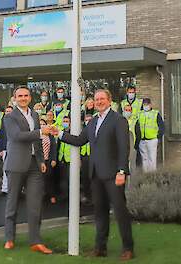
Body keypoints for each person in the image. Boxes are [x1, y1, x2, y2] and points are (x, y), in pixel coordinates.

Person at [52, 89, 134, 261]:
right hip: (96, 175)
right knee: (100, 212)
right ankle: (100, 248)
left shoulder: (118, 120)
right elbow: (79, 140)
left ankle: (128, 248)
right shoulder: (93, 121)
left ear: (109, 100)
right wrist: (59, 133)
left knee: (120, 211)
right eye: (96, 99)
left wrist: (122, 171)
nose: (99, 102)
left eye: (102, 99)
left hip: (113, 175)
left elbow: (123, 147)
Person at [3, 86, 53, 254]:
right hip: (16, 164)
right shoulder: (10, 117)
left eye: (26, 95)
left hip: (34, 165)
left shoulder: (35, 115)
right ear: (15, 98)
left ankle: (35, 241)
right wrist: (40, 132)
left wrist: (41, 160)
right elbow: (17, 136)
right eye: (20, 96)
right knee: (12, 203)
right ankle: (9, 238)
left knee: (35, 204)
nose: (23, 98)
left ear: (30, 98)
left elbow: (37, 142)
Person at [135, 98, 165, 173]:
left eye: (147, 104)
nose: (146, 106)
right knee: (144, 159)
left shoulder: (155, 113)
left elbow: (162, 126)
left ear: (150, 104)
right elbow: (137, 126)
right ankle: (145, 176)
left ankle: (152, 176)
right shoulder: (140, 114)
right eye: (144, 104)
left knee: (152, 159)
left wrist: (158, 136)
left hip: (152, 139)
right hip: (142, 140)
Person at [39, 118, 57, 204]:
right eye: (40, 124)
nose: (42, 125)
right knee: (39, 179)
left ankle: (52, 195)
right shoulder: (36, 135)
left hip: (48, 160)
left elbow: (54, 147)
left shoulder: (50, 135)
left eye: (43, 124)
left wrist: (53, 159)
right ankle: (41, 195)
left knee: (49, 178)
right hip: (39, 161)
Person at [0, 106, 13, 194]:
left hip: (15, 149)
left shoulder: (17, 122)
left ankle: (14, 189)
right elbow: (1, 136)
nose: (8, 112)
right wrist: (0, 149)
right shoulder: (3, 122)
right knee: (5, 169)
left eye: (10, 111)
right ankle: (5, 188)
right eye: (6, 111)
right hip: (5, 149)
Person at [57, 115, 72, 201]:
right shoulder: (61, 132)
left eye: (67, 121)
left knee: (69, 178)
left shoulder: (73, 132)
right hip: (61, 159)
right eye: (64, 121)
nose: (65, 123)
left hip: (70, 160)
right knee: (62, 178)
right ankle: (64, 195)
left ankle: (69, 195)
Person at [80, 114, 92, 204]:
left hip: (92, 156)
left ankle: (93, 196)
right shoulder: (82, 130)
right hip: (84, 156)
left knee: (93, 177)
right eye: (86, 120)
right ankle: (86, 195)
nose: (88, 121)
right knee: (85, 177)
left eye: (89, 119)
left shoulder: (95, 129)